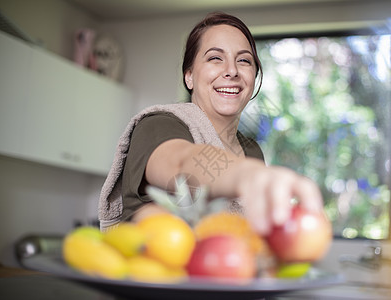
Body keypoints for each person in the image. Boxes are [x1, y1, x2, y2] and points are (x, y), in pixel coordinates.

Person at [99, 12, 324, 235]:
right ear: (189, 76)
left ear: (254, 78)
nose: (232, 71)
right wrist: (247, 175)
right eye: (215, 58)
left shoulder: (251, 151)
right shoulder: (158, 124)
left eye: (244, 60)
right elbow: (181, 165)